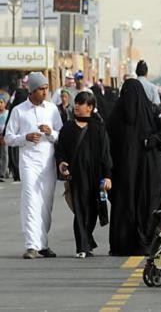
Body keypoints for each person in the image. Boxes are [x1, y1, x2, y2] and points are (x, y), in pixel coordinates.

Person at [108, 79, 161, 256]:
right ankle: (125, 243)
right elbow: (108, 142)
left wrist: (153, 141)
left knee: (145, 204)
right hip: (125, 170)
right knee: (125, 203)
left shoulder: (152, 111)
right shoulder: (116, 115)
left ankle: (146, 242)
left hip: (147, 170)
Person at [5, 73, 62, 259]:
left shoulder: (52, 109)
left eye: (46, 88)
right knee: (31, 200)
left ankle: (43, 244)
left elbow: (62, 135)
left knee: (46, 203)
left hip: (48, 163)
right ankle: (31, 245)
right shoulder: (19, 110)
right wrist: (25, 137)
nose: (45, 92)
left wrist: (51, 132)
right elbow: (8, 138)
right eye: (41, 89)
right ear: (32, 90)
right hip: (29, 162)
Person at [55, 92, 113, 258]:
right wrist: (62, 164)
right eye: (77, 103)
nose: (77, 106)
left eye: (81, 103)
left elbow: (105, 155)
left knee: (93, 209)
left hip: (96, 176)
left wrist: (107, 176)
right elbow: (60, 151)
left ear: (90, 107)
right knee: (80, 210)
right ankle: (82, 246)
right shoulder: (67, 128)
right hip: (77, 176)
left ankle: (87, 240)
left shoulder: (98, 128)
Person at [0, 91, 9, 181]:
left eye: (1, 102)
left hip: (5, 136)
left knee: (4, 154)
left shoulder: (7, 113)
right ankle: (4, 171)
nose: (0, 105)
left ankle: (2, 173)